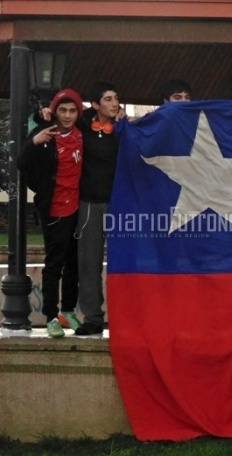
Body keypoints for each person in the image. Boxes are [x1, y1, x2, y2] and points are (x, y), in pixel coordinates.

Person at [17, 89, 84, 338]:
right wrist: (35, 140)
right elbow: (22, 162)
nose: (67, 116)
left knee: (73, 265)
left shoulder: (81, 133)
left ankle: (68, 311)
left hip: (78, 209)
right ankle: (50, 316)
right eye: (62, 111)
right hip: (55, 210)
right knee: (54, 265)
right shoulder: (46, 135)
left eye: (72, 110)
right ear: (55, 112)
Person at [73, 82, 123, 336]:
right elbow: (66, 113)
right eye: (108, 99)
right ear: (95, 105)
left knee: (122, 262)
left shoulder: (123, 130)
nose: (114, 103)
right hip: (90, 204)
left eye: (116, 98)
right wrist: (42, 114)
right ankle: (92, 318)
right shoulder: (82, 126)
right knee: (89, 262)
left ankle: (124, 317)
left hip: (120, 205)